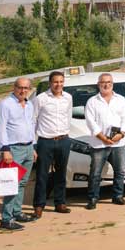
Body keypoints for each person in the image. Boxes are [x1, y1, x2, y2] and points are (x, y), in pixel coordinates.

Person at [0, 77, 37, 230]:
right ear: (14, 87)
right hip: (13, 149)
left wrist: (33, 146)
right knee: (11, 185)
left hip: (28, 148)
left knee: (23, 183)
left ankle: (17, 212)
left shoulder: (29, 104)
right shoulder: (5, 105)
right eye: (20, 87)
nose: (23, 90)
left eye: (26, 88)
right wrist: (5, 150)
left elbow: (31, 125)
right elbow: (0, 128)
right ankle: (6, 218)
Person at [84, 73, 125, 209]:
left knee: (120, 171)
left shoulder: (121, 99)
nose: (106, 85)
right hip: (99, 144)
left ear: (112, 83)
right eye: (103, 82)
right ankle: (92, 198)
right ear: (98, 84)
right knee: (95, 173)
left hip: (118, 143)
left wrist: (121, 134)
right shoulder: (92, 101)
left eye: (109, 82)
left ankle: (118, 196)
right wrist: (103, 138)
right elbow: (91, 122)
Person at [32, 70, 73, 218]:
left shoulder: (68, 98)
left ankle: (60, 203)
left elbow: (68, 117)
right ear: (50, 83)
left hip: (63, 140)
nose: (58, 84)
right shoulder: (40, 99)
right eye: (56, 82)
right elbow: (33, 120)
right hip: (45, 141)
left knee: (61, 174)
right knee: (42, 175)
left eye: (61, 82)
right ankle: (38, 205)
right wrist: (33, 143)